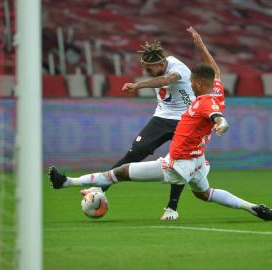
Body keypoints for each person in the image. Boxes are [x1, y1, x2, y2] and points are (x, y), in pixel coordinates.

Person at [48, 60, 272, 222]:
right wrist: (200, 45)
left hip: (177, 165)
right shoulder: (216, 92)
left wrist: (222, 124)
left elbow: (218, 117)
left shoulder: (203, 103)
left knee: (117, 173)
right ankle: (252, 207)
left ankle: (66, 182)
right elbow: (215, 71)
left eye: (193, 82)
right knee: (205, 193)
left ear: (196, 83)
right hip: (198, 162)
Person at [81, 39, 195, 221]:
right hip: (163, 117)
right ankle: (99, 188)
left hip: (187, 120)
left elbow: (165, 80)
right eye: (145, 68)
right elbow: (160, 80)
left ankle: (172, 209)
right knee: (134, 153)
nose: (146, 72)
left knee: (178, 163)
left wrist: (138, 85)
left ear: (162, 64)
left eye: (150, 69)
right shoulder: (159, 67)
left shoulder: (178, 68)